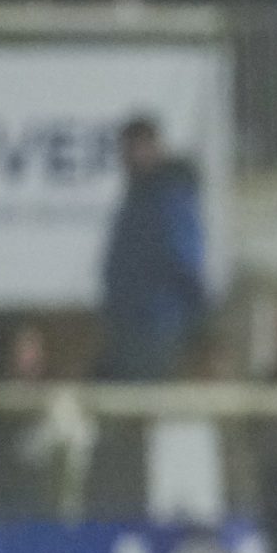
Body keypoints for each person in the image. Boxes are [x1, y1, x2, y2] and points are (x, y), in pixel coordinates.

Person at [98, 116, 208, 382]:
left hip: (159, 323)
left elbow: (185, 259)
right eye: (127, 149)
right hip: (128, 322)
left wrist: (193, 314)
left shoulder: (170, 196)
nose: (131, 156)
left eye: (138, 147)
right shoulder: (138, 195)